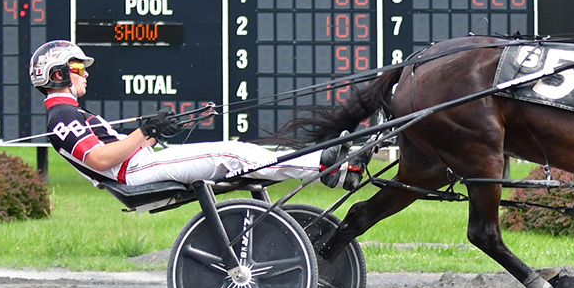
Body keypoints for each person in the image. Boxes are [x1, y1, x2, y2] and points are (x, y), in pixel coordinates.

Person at [29, 40, 367, 190]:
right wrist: (144, 132)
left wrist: (151, 132)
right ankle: (326, 165)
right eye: (77, 67)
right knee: (230, 153)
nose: (85, 73)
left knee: (239, 152)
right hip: (134, 173)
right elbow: (101, 159)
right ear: (58, 74)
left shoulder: (71, 112)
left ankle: (325, 162)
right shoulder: (61, 117)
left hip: (142, 163)